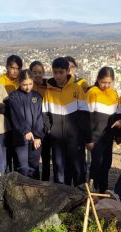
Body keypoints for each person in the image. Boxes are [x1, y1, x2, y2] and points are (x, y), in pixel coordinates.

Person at [42, 57, 93, 185]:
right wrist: (49, 130)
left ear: (67, 71)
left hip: (75, 139)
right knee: (59, 170)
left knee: (78, 169)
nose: (58, 76)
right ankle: (62, 200)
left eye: (61, 72)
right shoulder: (49, 92)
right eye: (55, 72)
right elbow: (44, 115)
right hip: (57, 140)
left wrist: (88, 138)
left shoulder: (76, 89)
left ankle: (80, 198)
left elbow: (85, 116)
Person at [7, 69, 45, 179]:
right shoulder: (14, 97)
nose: (28, 87)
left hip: (35, 139)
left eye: (30, 84)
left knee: (34, 166)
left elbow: (39, 117)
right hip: (20, 137)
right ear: (19, 82)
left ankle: (35, 192)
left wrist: (38, 136)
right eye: (24, 85)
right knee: (22, 167)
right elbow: (17, 116)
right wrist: (26, 130)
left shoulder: (37, 97)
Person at [86, 67, 118, 192]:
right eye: (103, 82)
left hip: (108, 136)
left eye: (109, 83)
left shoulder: (114, 93)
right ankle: (92, 190)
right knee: (96, 164)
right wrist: (88, 139)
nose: (106, 85)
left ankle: (103, 189)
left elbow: (116, 114)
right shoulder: (92, 92)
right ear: (98, 79)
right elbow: (87, 117)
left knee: (107, 164)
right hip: (95, 137)